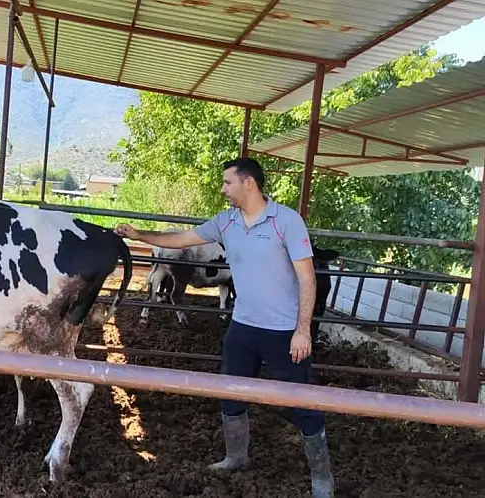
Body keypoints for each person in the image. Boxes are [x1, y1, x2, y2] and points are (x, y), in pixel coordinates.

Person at [114, 157, 335, 498]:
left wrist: (302, 330)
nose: (222, 189)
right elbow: (182, 239)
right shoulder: (226, 222)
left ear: (249, 183)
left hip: (283, 331)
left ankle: (322, 477)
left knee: (301, 401)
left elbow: (308, 278)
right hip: (242, 327)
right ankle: (236, 457)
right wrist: (139, 234)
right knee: (230, 392)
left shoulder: (286, 221)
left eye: (227, 182)